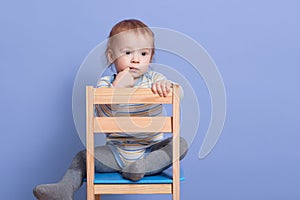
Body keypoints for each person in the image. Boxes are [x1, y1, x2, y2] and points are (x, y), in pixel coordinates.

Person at [33, 19, 188, 200]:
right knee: (82, 158)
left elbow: (179, 93)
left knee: (180, 144)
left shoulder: (155, 79)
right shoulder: (105, 85)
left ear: (151, 57)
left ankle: (141, 168)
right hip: (116, 153)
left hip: (149, 151)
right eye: (128, 52)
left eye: (144, 53)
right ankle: (64, 188)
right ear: (111, 56)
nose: (136, 59)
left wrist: (167, 85)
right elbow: (102, 116)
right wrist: (117, 90)